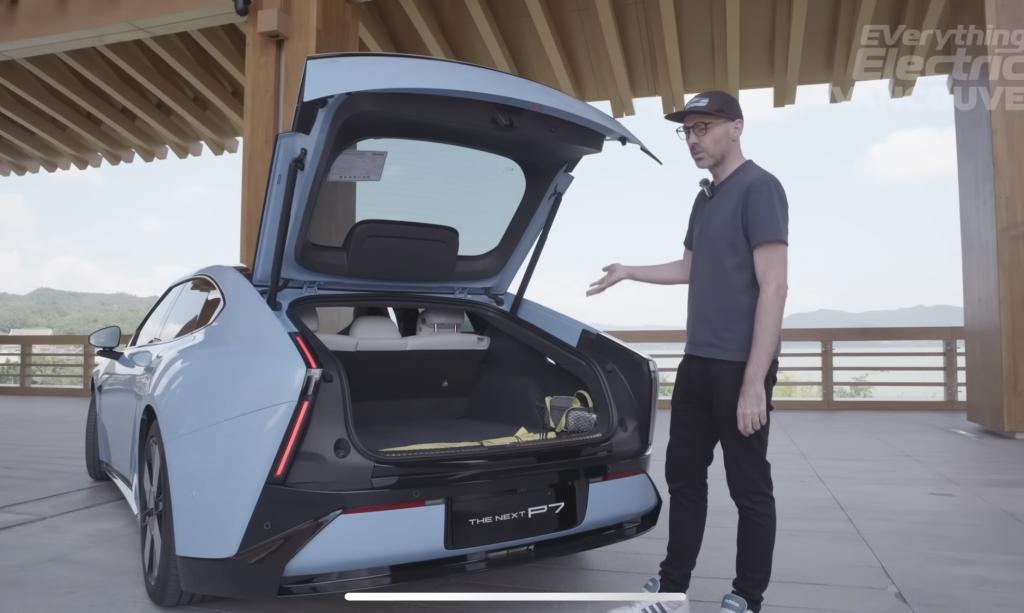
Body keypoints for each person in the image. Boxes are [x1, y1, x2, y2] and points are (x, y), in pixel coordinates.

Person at [591, 91, 789, 613]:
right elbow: (689, 268)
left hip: (740, 366)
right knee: (683, 478)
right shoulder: (705, 199)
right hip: (697, 361)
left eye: (704, 128)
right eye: (687, 131)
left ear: (736, 128)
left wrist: (754, 382)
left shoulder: (761, 188)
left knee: (748, 488)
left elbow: (774, 287)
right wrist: (629, 270)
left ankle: (746, 597)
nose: (693, 140)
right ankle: (671, 589)